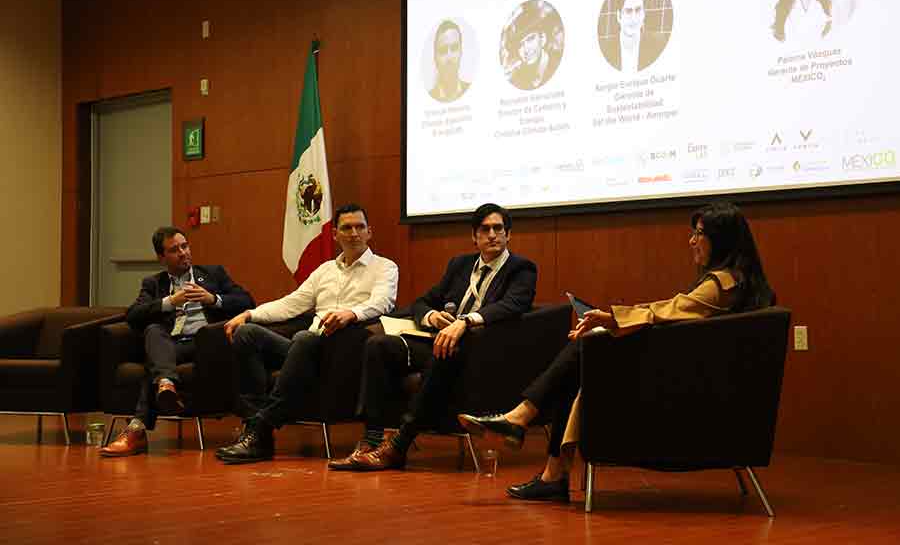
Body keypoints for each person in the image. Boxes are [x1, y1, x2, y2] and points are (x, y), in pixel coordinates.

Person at [458, 202, 774, 502]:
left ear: (721, 240)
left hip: (681, 393)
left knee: (586, 348)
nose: (691, 241)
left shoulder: (721, 284)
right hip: (699, 386)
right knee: (584, 353)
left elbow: (668, 311)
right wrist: (611, 321)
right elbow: (671, 313)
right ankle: (544, 462)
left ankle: (525, 426)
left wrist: (611, 321)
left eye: (699, 234)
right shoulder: (743, 283)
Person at [330, 203, 537, 471]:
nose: (492, 235)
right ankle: (371, 439)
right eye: (485, 230)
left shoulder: (521, 269)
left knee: (445, 351)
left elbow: (513, 305)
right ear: (474, 237)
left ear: (508, 235)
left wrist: (464, 323)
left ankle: (398, 446)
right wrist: (432, 317)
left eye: (498, 229)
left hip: (481, 347)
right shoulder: (460, 265)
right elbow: (423, 302)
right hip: (440, 339)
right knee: (379, 345)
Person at [215, 203, 398, 464]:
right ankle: (255, 432)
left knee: (304, 337)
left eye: (360, 227)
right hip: (308, 348)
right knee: (247, 333)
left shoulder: (385, 267)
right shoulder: (325, 270)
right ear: (335, 234)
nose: (354, 233)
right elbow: (292, 303)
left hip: (345, 348)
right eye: (347, 228)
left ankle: (260, 428)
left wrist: (352, 313)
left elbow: (383, 302)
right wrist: (249, 314)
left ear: (370, 232)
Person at [100, 226, 255, 457]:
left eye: (185, 246)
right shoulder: (153, 284)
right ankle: (165, 384)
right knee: (154, 332)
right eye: (174, 250)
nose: (183, 253)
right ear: (161, 257)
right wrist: (169, 301)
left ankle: (138, 427)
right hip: (172, 345)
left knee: (154, 366)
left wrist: (214, 299)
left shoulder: (213, 274)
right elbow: (133, 315)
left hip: (206, 343)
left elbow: (247, 301)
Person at [599, 0, 667, 73]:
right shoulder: (605, 49)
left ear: (644, 14)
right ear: (619, 16)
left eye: (638, 10)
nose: (634, 19)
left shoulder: (658, 43)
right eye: (628, 11)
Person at [503, 0, 563, 90]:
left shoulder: (556, 63)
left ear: (542, 39)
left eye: (530, 39)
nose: (526, 49)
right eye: (520, 45)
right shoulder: (517, 77)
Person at [429, 20, 470, 103]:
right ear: (435, 57)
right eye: (443, 50)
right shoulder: (431, 96)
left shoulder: (469, 89)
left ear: (461, 52)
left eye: (454, 48)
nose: (449, 57)